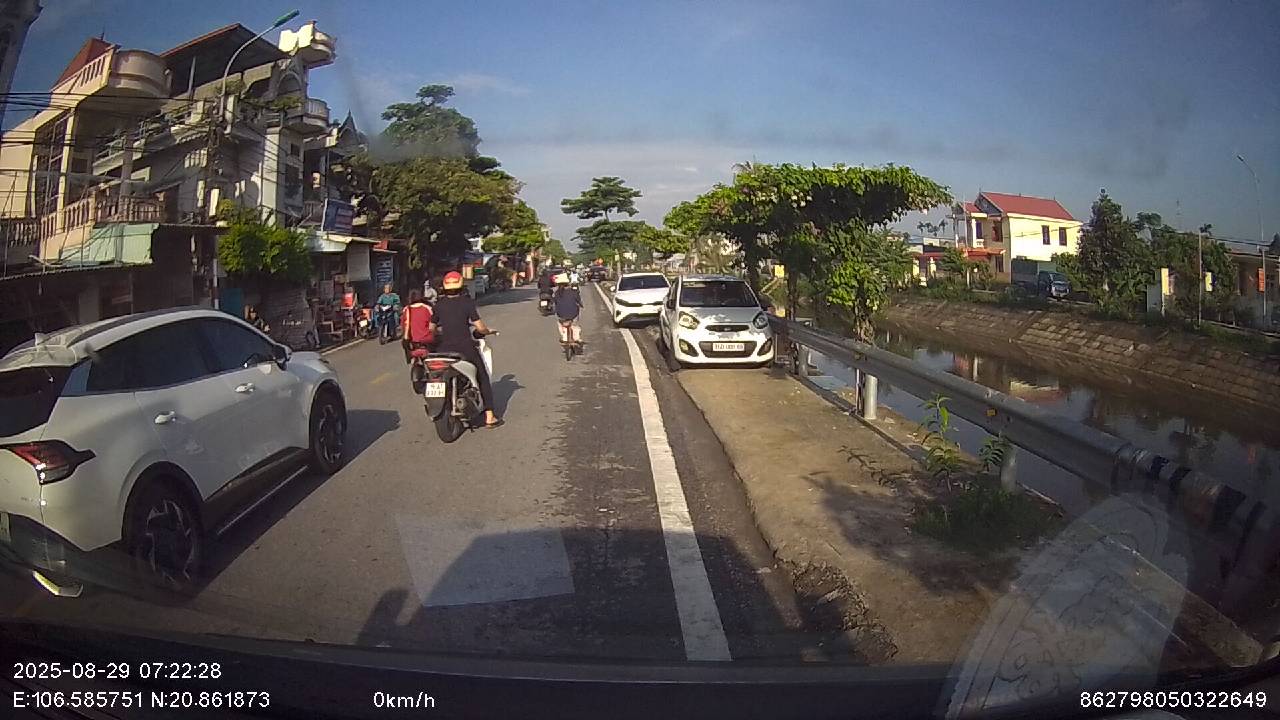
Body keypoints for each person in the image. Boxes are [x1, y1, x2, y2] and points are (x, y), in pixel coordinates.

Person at [431, 271, 502, 428]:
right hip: (465, 348)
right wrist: (488, 331)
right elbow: (480, 327)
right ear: (461, 286)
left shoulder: (438, 305)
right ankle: (490, 416)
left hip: (443, 349)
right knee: (482, 376)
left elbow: (431, 329)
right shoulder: (467, 303)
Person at [401, 289, 436, 363]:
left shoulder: (406, 309)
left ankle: (412, 358)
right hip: (427, 339)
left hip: (411, 340)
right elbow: (434, 322)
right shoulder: (427, 308)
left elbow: (403, 325)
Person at [554, 274, 583, 347]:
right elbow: (579, 301)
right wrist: (581, 305)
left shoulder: (557, 293)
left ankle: (564, 337)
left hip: (561, 315)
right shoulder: (573, 291)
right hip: (573, 314)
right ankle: (576, 338)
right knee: (575, 324)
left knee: (560, 324)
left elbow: (556, 303)